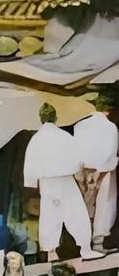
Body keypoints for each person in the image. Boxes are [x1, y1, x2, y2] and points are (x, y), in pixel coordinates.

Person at [24, 103, 98, 262]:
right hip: (64, 180)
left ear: (41, 118)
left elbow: (30, 165)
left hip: (48, 182)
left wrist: (32, 182)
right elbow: (77, 160)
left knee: (50, 215)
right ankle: (85, 248)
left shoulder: (36, 139)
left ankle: (51, 251)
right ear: (56, 117)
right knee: (76, 213)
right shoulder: (63, 136)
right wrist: (78, 175)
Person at [73, 93, 119, 249]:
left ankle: (82, 242)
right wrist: (100, 173)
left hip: (82, 169)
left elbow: (76, 149)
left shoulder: (79, 126)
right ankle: (98, 241)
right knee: (104, 204)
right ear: (108, 111)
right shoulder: (110, 127)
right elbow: (111, 151)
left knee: (84, 203)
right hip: (103, 169)